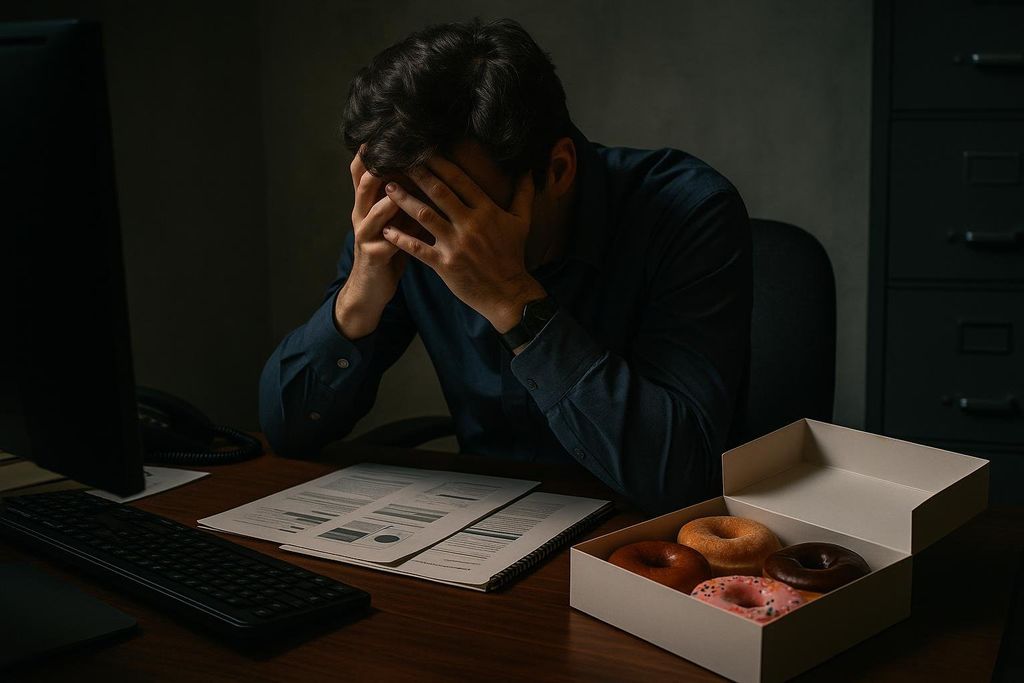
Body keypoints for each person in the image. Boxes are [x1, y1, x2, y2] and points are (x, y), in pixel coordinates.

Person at [258, 17, 752, 515]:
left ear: (556, 170)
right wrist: (357, 298)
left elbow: (678, 475)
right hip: (482, 523)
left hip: (636, 537)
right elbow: (289, 430)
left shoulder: (688, 210)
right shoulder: (401, 221)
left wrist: (511, 296)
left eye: (453, 203)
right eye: (402, 197)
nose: (424, 229)